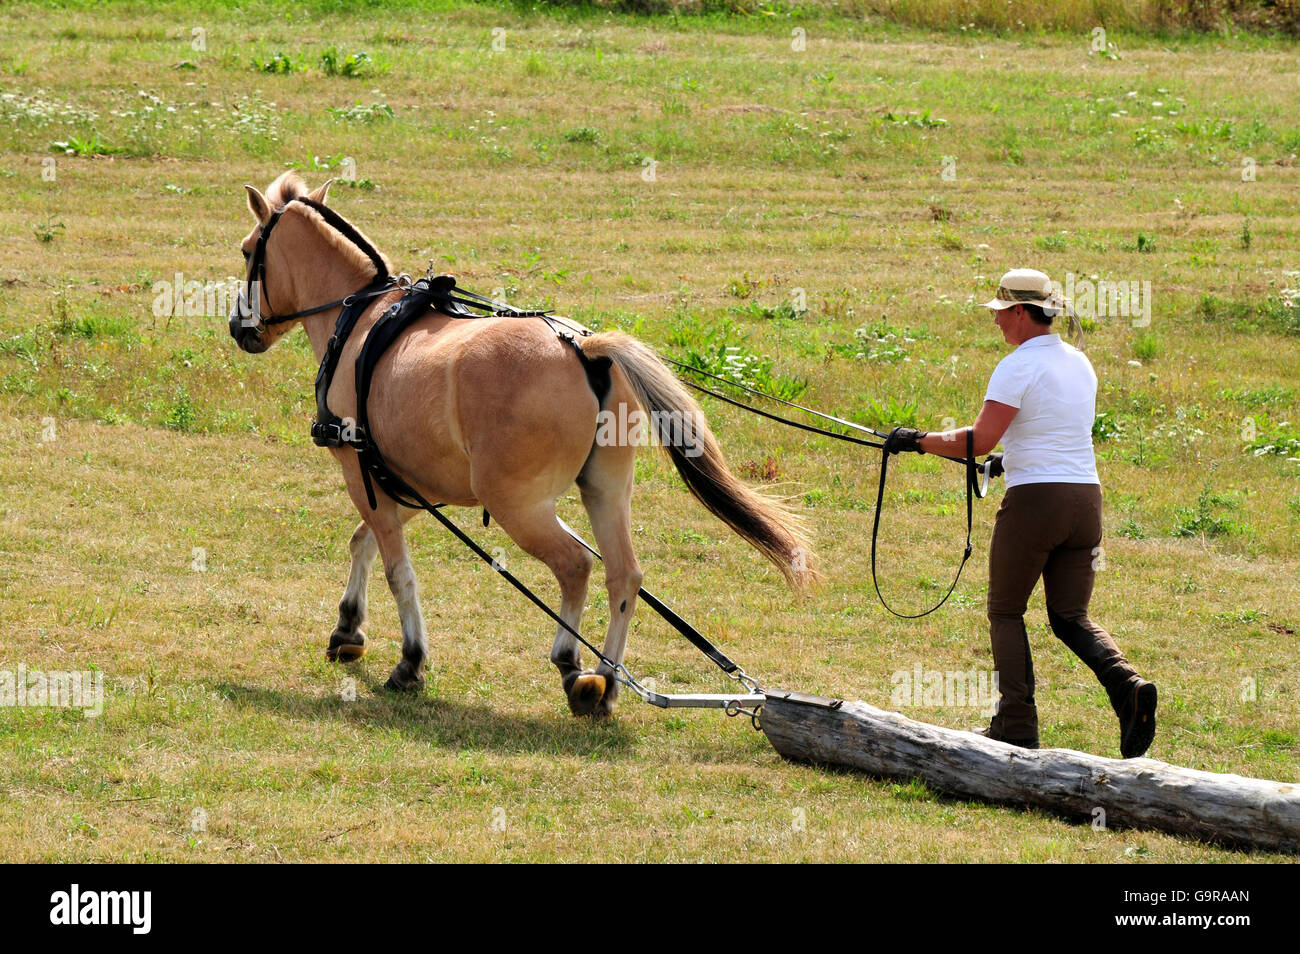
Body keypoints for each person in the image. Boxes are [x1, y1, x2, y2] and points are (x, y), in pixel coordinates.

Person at [889, 268, 1157, 758]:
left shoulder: (1017, 365)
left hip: (1037, 504)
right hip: (1086, 502)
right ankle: (1128, 685)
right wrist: (1007, 461)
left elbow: (977, 439)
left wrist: (916, 441)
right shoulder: (1079, 362)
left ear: (1019, 312)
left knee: (1006, 611)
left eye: (999, 314)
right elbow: (1049, 432)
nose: (996, 323)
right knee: (1070, 615)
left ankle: (1016, 724)